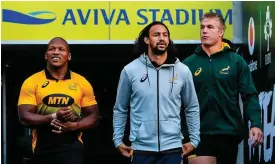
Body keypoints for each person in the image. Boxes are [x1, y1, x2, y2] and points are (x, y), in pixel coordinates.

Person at [113, 21, 200, 164]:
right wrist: (117, 140)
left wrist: (194, 140)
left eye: (165, 35)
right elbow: (120, 108)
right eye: (156, 35)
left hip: (172, 147)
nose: (162, 38)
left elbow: (192, 107)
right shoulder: (130, 70)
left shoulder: (182, 71)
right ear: (146, 40)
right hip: (141, 149)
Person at [183, 12, 263, 164]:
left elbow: (249, 95)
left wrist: (256, 124)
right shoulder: (188, 64)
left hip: (228, 132)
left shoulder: (236, 61)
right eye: (202, 27)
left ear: (221, 32)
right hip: (198, 134)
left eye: (210, 27)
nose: (204, 30)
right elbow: (177, 101)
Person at [17, 37, 99, 164]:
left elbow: (93, 116)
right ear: (46, 55)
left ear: (69, 56)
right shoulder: (32, 81)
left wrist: (73, 126)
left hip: (72, 149)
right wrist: (54, 116)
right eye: (52, 49)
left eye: (61, 49)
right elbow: (24, 117)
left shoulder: (81, 82)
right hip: (41, 149)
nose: (56, 52)